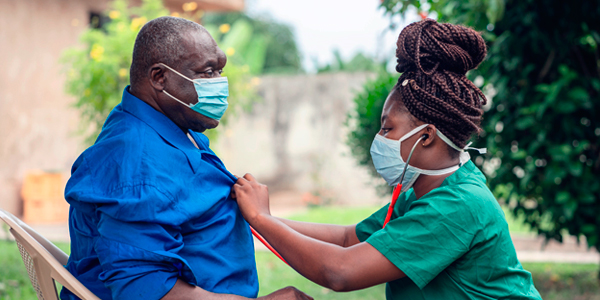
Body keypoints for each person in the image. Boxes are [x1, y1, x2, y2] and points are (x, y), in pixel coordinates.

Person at [232, 19, 542, 299]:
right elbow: (346, 238)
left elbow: (340, 271)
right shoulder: (425, 191)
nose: (379, 139)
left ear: (426, 136)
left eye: (387, 128)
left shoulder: (457, 205)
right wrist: (259, 219)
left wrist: (261, 219)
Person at [61, 16, 311, 300]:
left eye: (219, 71)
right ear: (159, 77)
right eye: (206, 73)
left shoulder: (168, 129)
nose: (219, 84)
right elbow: (142, 288)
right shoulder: (138, 163)